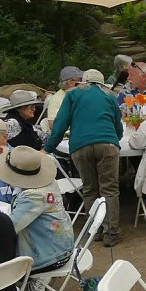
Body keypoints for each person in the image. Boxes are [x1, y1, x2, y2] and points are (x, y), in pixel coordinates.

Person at [0, 146, 76, 291]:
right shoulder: (46, 183)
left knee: (0, 259)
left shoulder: (32, 196)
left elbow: (9, 228)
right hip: (60, 243)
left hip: (48, 256)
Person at [44, 69, 124, 246]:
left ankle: (94, 231)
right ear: (102, 83)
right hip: (107, 144)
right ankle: (111, 233)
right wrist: (114, 138)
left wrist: (48, 147)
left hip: (80, 146)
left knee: (90, 189)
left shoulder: (72, 95)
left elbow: (60, 124)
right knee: (109, 189)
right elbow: (117, 125)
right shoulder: (109, 96)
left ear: (83, 82)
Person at [43, 66, 83, 133]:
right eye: (80, 80)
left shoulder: (79, 95)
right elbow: (52, 124)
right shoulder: (56, 99)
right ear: (70, 82)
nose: (82, 82)